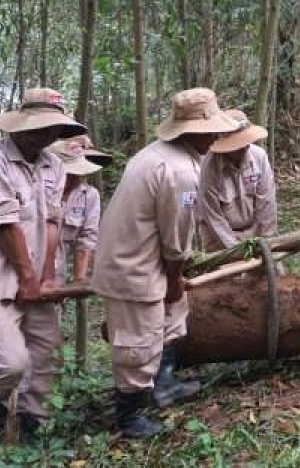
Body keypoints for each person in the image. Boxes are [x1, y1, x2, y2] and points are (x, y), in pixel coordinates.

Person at [92, 88, 238, 438]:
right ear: (190, 131)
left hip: (147, 256)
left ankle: (162, 383)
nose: (216, 136)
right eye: (211, 131)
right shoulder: (177, 170)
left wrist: (174, 280)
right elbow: (175, 238)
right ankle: (130, 415)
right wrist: (174, 277)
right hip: (133, 265)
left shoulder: (164, 156)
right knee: (138, 343)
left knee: (173, 320)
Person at [0, 88, 86, 438]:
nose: (48, 134)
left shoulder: (53, 164)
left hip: (33, 280)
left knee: (45, 355)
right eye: (41, 127)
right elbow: (6, 225)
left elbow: (52, 222)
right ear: (19, 126)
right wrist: (27, 279)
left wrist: (48, 276)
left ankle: (30, 422)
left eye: (54, 128)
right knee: (8, 363)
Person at [196, 109, 278, 251]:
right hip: (218, 236)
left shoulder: (259, 157)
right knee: (227, 271)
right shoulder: (208, 168)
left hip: (254, 229)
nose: (244, 147)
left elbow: (267, 203)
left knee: (271, 270)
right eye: (238, 144)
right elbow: (213, 217)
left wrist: (267, 241)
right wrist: (235, 251)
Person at [47, 138, 104, 283]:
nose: (75, 179)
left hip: (57, 273)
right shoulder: (36, 189)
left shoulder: (88, 195)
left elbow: (87, 238)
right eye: (69, 174)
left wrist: (80, 279)